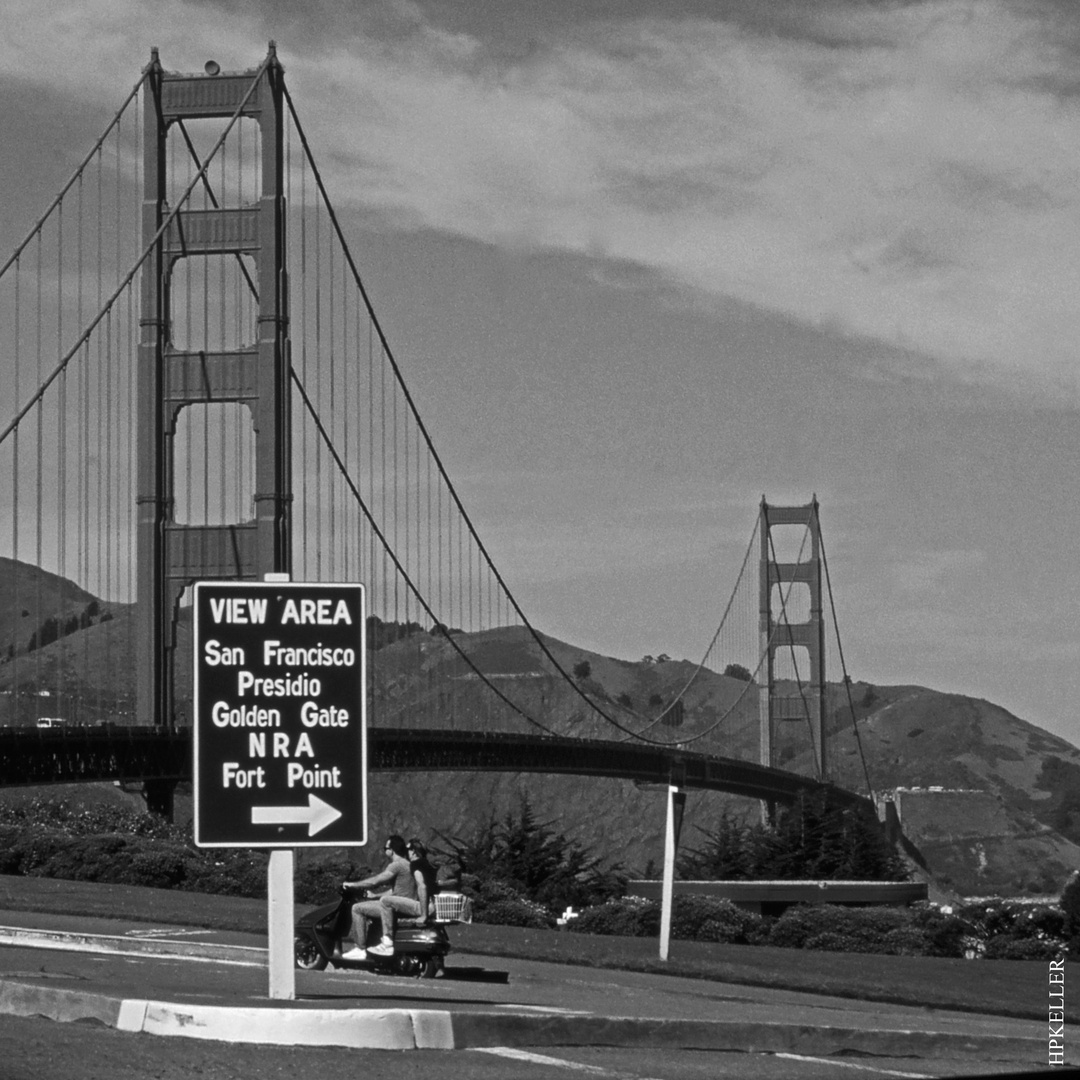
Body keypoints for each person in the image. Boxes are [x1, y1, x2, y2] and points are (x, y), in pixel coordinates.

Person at [340, 834, 416, 960]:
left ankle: (360, 948)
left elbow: (376, 881)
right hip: (404, 904)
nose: (385, 850)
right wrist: (375, 895)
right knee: (374, 904)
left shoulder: (396, 865)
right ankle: (373, 943)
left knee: (357, 908)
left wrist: (353, 885)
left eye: (385, 848)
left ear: (391, 850)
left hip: (395, 908)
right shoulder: (408, 865)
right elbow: (395, 890)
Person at [372, 837, 437, 954]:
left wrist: (423, 915)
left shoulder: (416, 865)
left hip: (425, 907)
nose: (406, 852)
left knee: (385, 901)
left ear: (413, 851)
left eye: (408, 849)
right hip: (433, 905)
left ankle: (387, 943)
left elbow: (422, 886)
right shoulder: (427, 864)